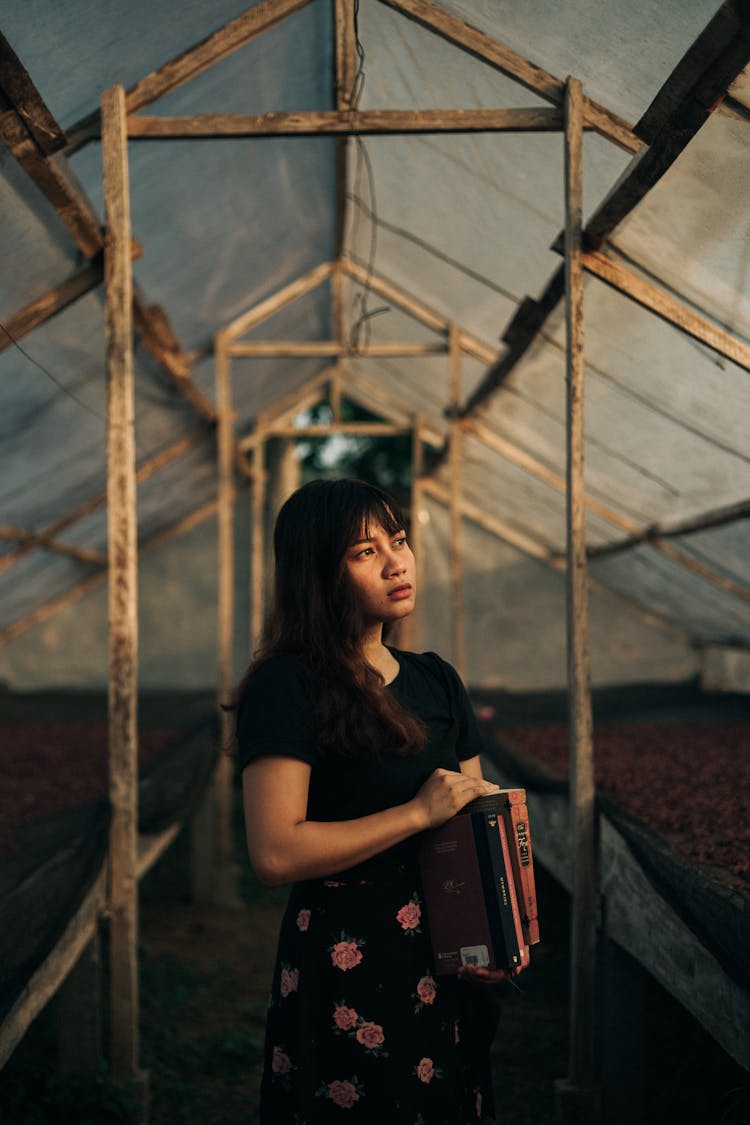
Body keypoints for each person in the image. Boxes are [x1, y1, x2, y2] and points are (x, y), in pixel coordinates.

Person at [236, 478, 509, 1124]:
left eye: (400, 540)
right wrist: (417, 813)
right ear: (317, 574)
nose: (397, 561)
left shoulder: (437, 679)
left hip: (448, 955)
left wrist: (498, 934)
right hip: (349, 963)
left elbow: (476, 823)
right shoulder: (287, 685)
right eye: (365, 550)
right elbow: (275, 851)